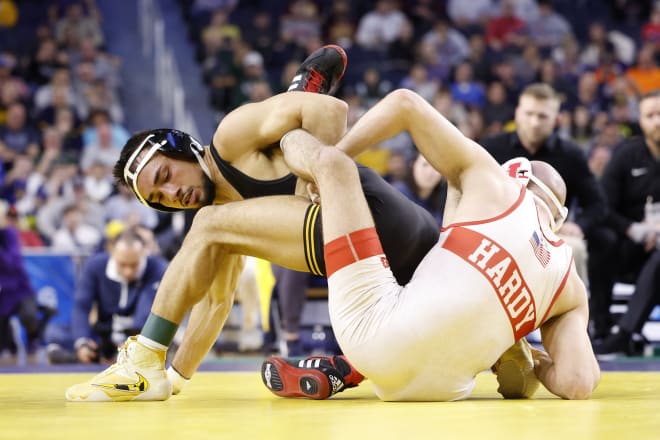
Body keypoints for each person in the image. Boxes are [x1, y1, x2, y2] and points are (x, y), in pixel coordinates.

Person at [64, 47, 532, 402]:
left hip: (373, 214)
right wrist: (176, 379)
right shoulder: (226, 227)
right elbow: (215, 304)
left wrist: (316, 177)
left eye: (166, 176)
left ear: (182, 148)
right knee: (488, 370)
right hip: (409, 265)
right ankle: (508, 349)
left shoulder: (229, 140)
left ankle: (144, 356)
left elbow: (331, 111)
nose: (172, 194)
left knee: (215, 217)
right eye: (158, 199)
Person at [261, 89, 600, 401]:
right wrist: (538, 362)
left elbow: (405, 103)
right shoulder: (571, 286)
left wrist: (335, 155)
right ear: (559, 218)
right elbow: (578, 382)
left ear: (516, 175)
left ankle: (293, 115)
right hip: (447, 389)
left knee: (328, 162)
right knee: (446, 285)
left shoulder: (495, 185)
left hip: (375, 331)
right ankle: (348, 368)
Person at [479, 83, 612, 339]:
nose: (535, 122)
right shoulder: (492, 148)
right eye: (529, 114)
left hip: (551, 232)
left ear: (557, 119)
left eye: (543, 116)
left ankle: (574, 330)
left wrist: (580, 225)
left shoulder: (571, 154)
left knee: (578, 248)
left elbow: (598, 204)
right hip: (499, 231)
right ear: (517, 114)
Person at [593, 90, 660, 356]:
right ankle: (600, 326)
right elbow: (602, 206)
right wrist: (634, 230)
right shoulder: (626, 155)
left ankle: (624, 333)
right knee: (601, 238)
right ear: (641, 121)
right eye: (650, 115)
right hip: (630, 246)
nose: (657, 121)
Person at [54, 227, 168, 364]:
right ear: (112, 252)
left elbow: (146, 310)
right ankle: (88, 355)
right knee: (55, 332)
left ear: (144, 253)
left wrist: (130, 346)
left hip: (140, 336)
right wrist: (82, 342)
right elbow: (82, 306)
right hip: (103, 334)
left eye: (134, 265)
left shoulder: (158, 268)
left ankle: (79, 358)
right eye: (122, 264)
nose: (128, 271)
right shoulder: (95, 265)